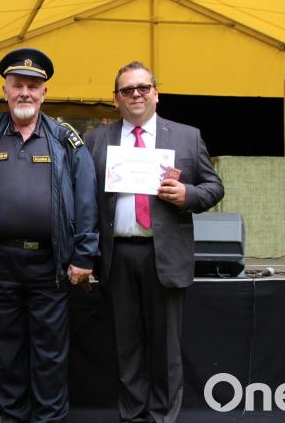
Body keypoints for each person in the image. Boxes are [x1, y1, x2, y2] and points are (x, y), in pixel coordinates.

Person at [84, 61, 225, 423]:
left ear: (156, 93)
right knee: (126, 345)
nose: (136, 95)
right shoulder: (96, 140)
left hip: (166, 255)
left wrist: (186, 194)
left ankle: (163, 417)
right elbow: (84, 198)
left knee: (166, 348)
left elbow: (214, 188)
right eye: (127, 90)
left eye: (143, 88)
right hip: (116, 255)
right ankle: (132, 416)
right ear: (115, 99)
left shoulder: (187, 137)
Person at [0, 48, 99, 423]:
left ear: (44, 93)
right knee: (5, 350)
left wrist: (84, 254)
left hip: (51, 263)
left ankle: (48, 419)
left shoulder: (64, 138)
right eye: (18, 85)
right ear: (5, 89)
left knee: (50, 352)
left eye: (33, 86)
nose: (25, 92)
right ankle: (13, 417)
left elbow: (86, 195)